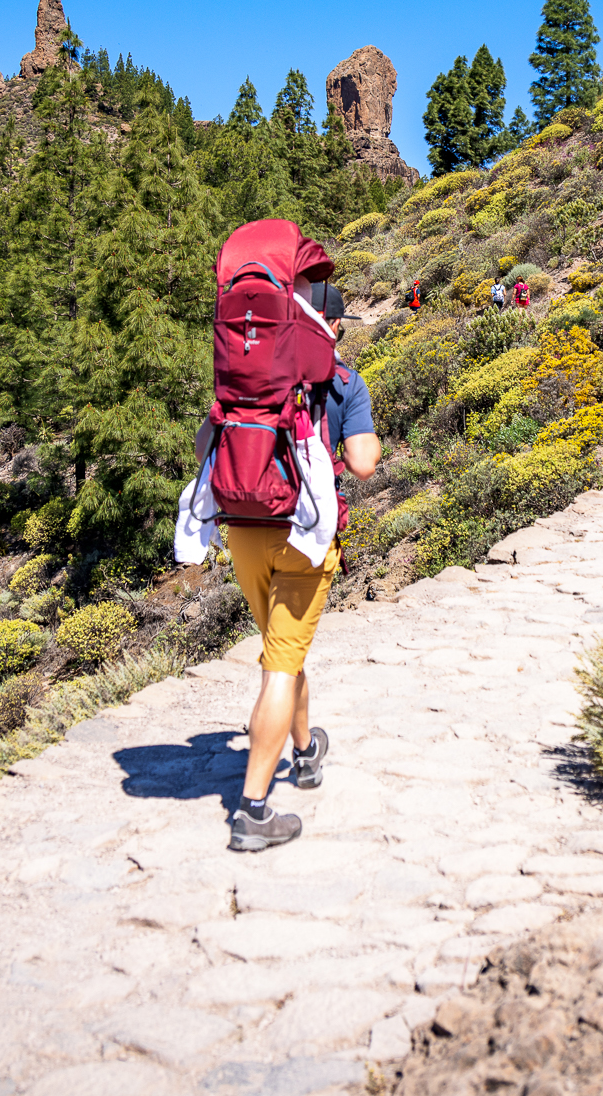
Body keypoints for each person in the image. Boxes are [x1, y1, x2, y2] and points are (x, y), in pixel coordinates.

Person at [221, 281, 381, 852]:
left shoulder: (251, 374)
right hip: (305, 537)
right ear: (331, 326)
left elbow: (203, 446)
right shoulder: (344, 382)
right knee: (280, 666)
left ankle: (307, 751)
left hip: (244, 529)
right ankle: (253, 810)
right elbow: (363, 463)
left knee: (283, 652)